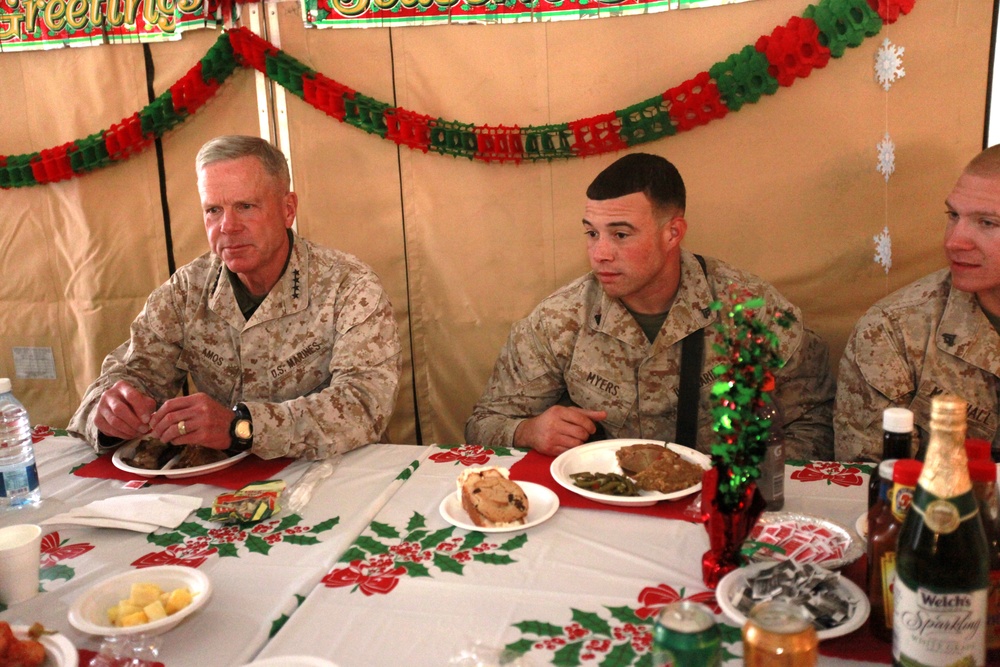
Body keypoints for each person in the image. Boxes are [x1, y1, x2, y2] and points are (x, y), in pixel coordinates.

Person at [465, 152, 835, 459]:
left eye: (621, 235)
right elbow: (482, 424)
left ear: (672, 232)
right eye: (592, 233)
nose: (600, 254)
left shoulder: (751, 309)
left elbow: (814, 420)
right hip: (604, 504)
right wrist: (529, 430)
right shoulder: (559, 319)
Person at [68, 135, 402, 460]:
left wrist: (243, 427)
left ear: (288, 210)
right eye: (213, 210)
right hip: (223, 490)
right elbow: (127, 375)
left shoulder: (348, 287)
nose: (228, 226)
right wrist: (110, 414)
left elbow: (365, 405)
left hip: (338, 480)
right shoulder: (187, 291)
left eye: (245, 206)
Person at [835, 145, 1000, 461]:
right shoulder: (893, 332)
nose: (953, 241)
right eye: (953, 215)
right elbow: (871, 483)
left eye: (987, 223)